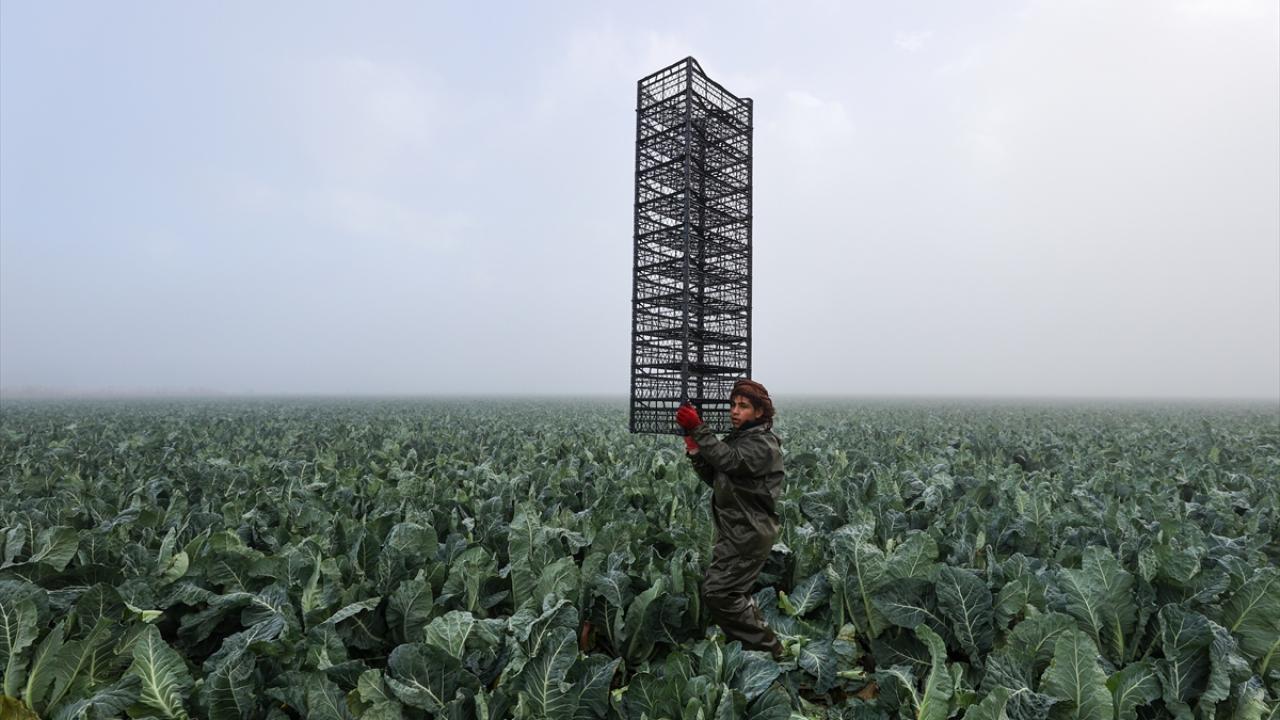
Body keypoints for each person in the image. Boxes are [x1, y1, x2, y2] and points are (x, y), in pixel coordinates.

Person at [675, 379, 785, 658]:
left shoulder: (763, 444)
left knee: (718, 593)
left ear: (760, 413)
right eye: (733, 405)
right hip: (737, 530)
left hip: (749, 532)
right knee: (732, 592)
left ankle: (769, 652)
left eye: (743, 406)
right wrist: (695, 449)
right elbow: (717, 476)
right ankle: (757, 648)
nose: (735, 411)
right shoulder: (741, 438)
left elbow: (729, 461)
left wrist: (698, 428)